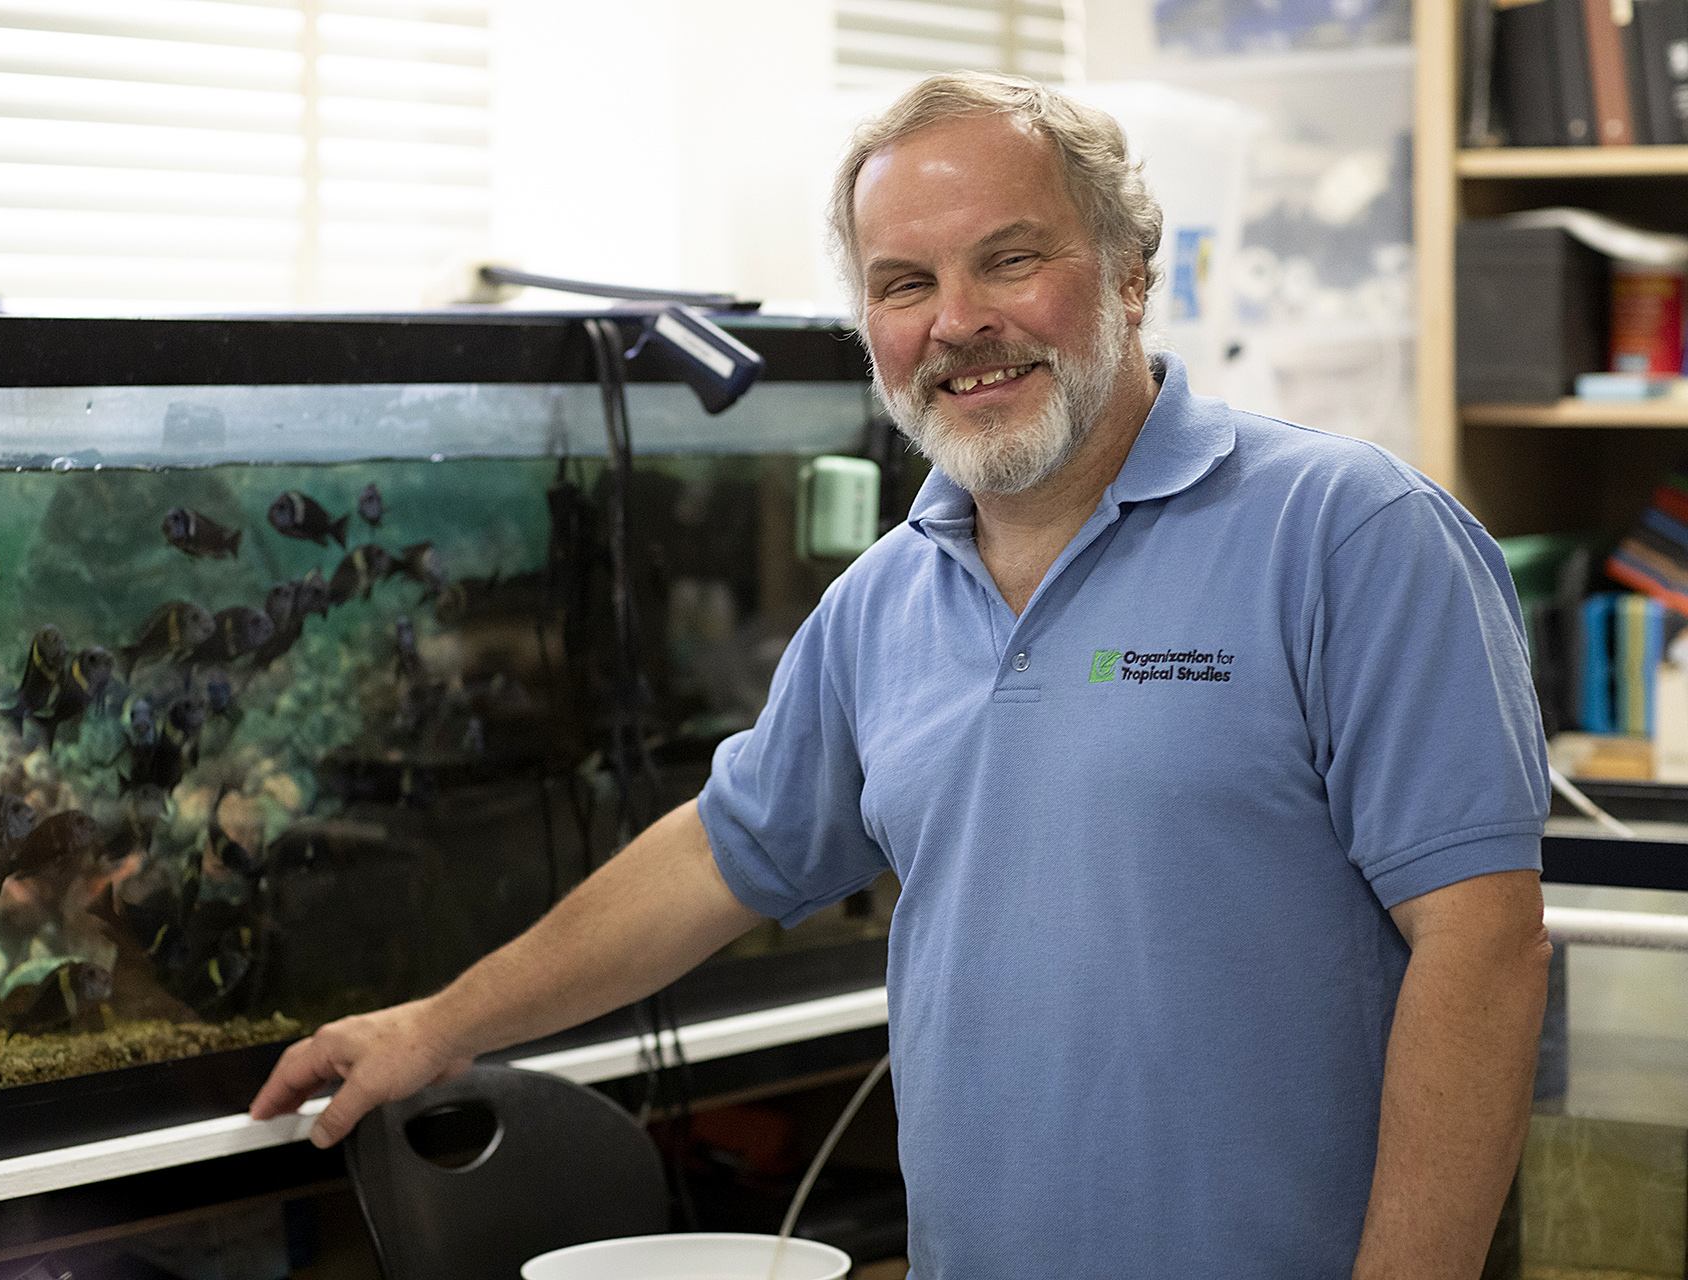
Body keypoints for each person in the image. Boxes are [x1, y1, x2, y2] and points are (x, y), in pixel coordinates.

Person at [253, 72, 1551, 1279]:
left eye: (1011, 258)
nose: (958, 323)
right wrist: (440, 1026)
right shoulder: (883, 602)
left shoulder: (1347, 532)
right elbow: (717, 858)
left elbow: (1482, 947)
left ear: (1133, 271)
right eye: (903, 281)